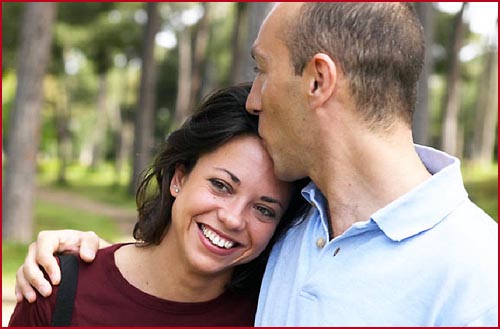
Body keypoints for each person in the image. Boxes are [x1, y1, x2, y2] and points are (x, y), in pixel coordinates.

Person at [15, 2, 498, 326]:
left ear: (317, 81)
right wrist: (86, 261)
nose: (254, 99)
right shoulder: (296, 230)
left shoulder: (479, 272)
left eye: (263, 70)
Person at [8, 84, 309, 326]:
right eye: (221, 185)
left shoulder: (269, 316)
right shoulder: (58, 289)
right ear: (179, 177)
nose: (233, 219)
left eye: (264, 209)